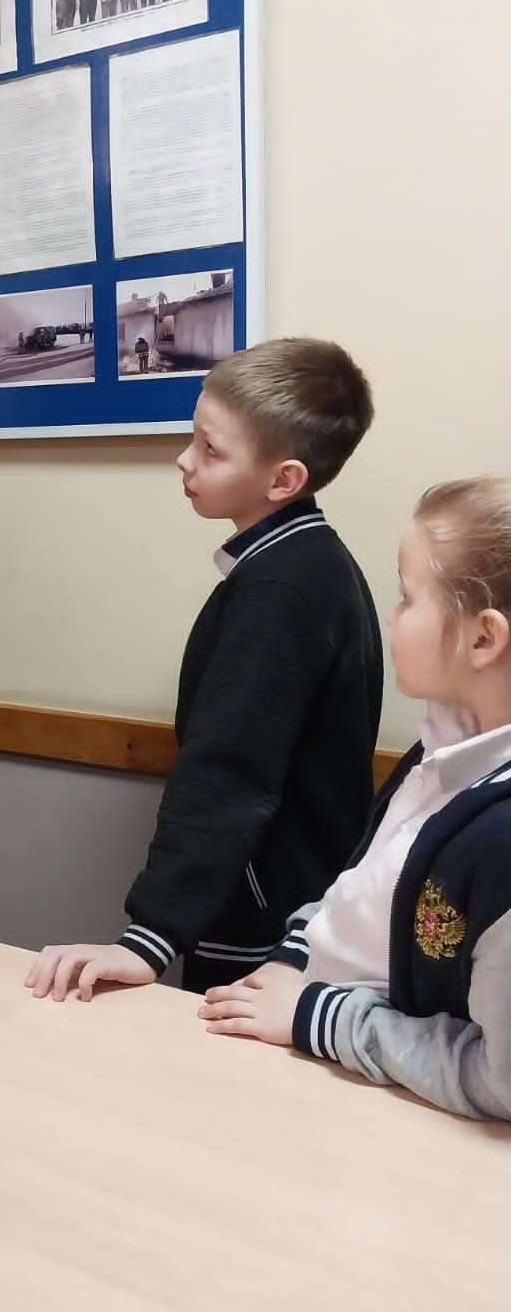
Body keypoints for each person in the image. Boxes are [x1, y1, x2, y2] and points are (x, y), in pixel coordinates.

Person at [26, 337, 382, 998]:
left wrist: (150, 936)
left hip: (263, 927)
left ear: (284, 480)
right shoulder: (306, 563)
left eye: (212, 450)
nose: (185, 460)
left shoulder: (282, 588)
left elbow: (229, 766)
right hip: (287, 908)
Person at [200, 476, 511, 1122]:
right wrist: (293, 960)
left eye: (408, 597)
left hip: (391, 1111)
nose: (392, 616)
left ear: (483, 638)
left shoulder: (502, 838)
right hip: (316, 1042)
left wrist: (317, 1017)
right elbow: (363, 892)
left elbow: (500, 1079)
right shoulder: (440, 748)